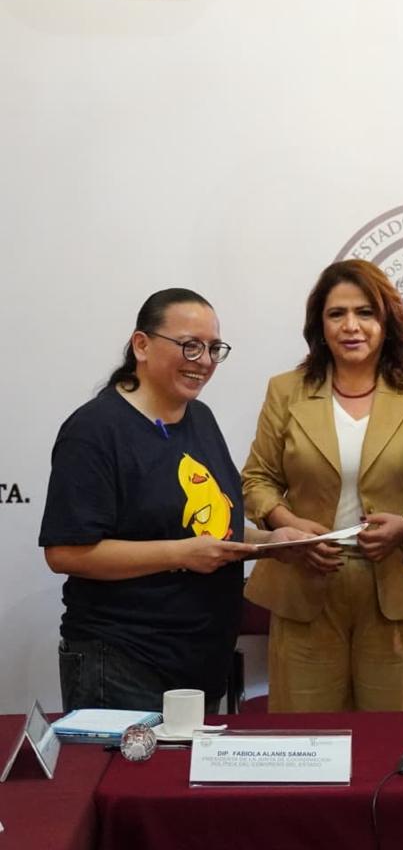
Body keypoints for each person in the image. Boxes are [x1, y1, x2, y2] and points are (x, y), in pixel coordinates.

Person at [242, 260, 403, 712]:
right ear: (319, 325)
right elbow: (257, 479)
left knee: (396, 739)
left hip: (401, 584)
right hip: (305, 582)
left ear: (387, 320)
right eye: (336, 314)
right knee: (306, 740)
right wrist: (288, 526)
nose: (351, 326)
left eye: (365, 312)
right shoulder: (286, 390)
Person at [40, 288, 266, 711]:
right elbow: (66, 552)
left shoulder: (200, 417)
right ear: (141, 345)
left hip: (200, 661)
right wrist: (181, 554)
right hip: (123, 661)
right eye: (190, 345)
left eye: (213, 348)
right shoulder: (95, 429)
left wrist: (270, 541)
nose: (204, 361)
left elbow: (204, 524)